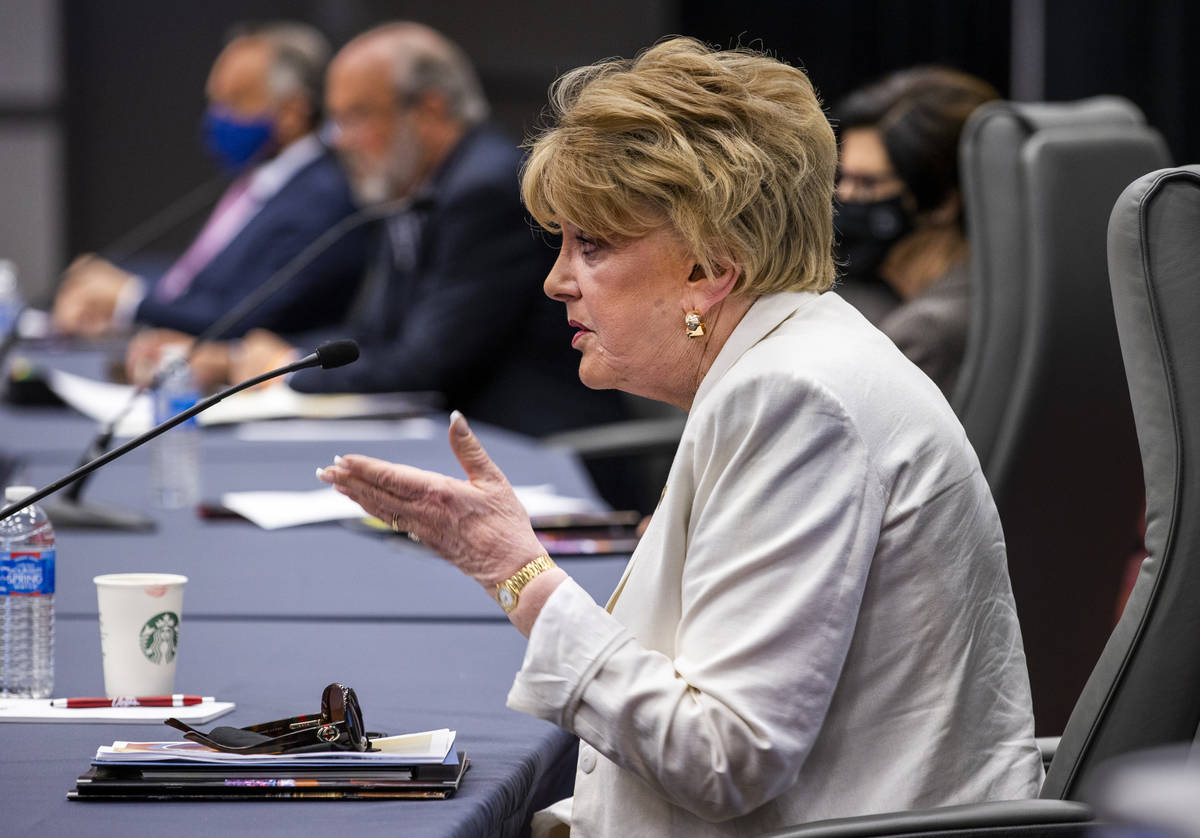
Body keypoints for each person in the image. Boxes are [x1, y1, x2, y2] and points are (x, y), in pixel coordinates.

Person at [317, 38, 1042, 836]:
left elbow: (723, 759)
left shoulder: (795, 399)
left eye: (591, 246)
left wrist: (515, 573)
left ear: (710, 268)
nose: (558, 280)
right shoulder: (785, 360)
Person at [151, 22, 624, 436]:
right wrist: (262, 359)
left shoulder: (484, 190)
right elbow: (378, 334)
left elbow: (425, 365)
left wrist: (281, 370)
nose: (342, 141)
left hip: (534, 447)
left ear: (431, 109)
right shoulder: (413, 184)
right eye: (335, 120)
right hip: (464, 434)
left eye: (356, 116)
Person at [53, 22, 367, 341]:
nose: (216, 117)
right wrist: (111, 281)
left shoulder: (322, 197)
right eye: (214, 101)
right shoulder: (259, 179)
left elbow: (245, 316)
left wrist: (127, 299)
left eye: (234, 101)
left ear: (291, 112)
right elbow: (197, 282)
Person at [833, 67, 999, 396]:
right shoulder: (1002, 286)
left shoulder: (923, 332)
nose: (844, 197)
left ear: (944, 201)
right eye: (842, 178)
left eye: (867, 183)